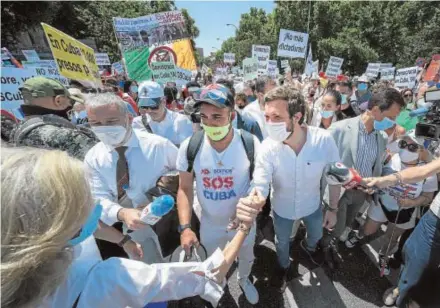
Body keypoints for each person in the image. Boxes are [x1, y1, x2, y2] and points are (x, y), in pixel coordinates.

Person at [0, 147, 261, 308]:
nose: (96, 205)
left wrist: (123, 240)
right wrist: (245, 228)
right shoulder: (105, 279)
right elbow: (209, 272)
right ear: (55, 226)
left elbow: (91, 227)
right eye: (82, 200)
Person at [364, 128, 440, 307]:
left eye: (413, 147)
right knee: (415, 267)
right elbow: (428, 171)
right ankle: (400, 293)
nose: (407, 148)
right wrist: (384, 181)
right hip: (439, 223)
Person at [175, 84, 263, 304]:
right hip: (210, 224)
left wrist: (250, 206)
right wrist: (185, 228)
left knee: (246, 256)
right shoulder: (190, 146)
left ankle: (244, 279)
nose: (210, 123)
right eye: (203, 117)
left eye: (217, 116)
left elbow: (259, 184)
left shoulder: (250, 144)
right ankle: (219, 286)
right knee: (214, 264)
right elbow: (184, 189)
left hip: (242, 224)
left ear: (232, 115)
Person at [251, 85, 341, 291]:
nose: (270, 124)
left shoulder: (323, 140)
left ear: (297, 116)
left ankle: (308, 248)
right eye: (267, 117)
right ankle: (283, 267)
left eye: (276, 117)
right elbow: (260, 183)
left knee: (316, 235)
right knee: (281, 243)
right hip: (282, 210)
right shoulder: (267, 147)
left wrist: (333, 209)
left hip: (313, 207)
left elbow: (334, 177)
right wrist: (252, 203)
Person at [84, 93, 178, 264]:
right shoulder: (94, 157)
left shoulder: (158, 146)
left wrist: (162, 195)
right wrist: (122, 213)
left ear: (128, 117)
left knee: (179, 266)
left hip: (169, 223)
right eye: (96, 124)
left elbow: (186, 179)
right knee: (150, 272)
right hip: (132, 228)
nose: (104, 128)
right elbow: (97, 198)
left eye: (111, 122)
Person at [326, 88, 406, 267]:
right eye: (391, 117)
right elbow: (324, 164)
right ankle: (325, 247)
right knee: (335, 226)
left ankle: (332, 242)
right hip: (338, 192)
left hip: (361, 193)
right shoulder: (339, 129)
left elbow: (376, 166)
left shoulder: (382, 137)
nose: (393, 123)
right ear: (375, 110)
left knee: (346, 223)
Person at [345, 131, 438, 276]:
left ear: (422, 150)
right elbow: (377, 176)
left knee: (391, 238)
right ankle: (359, 235)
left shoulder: (427, 171)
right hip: (382, 203)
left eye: (412, 147)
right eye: (403, 143)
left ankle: (384, 256)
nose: (406, 149)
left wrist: (412, 202)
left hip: (404, 211)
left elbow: (427, 197)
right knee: (368, 229)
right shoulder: (390, 158)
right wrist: (372, 190)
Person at [8, 76, 97, 160]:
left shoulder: (16, 130)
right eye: (71, 101)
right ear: (58, 100)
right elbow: (102, 164)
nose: (71, 105)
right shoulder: (67, 136)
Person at [132, 81, 193, 147]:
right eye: (145, 106)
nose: (149, 110)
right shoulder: (137, 123)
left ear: (163, 101)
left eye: (153, 106)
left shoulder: (181, 122)